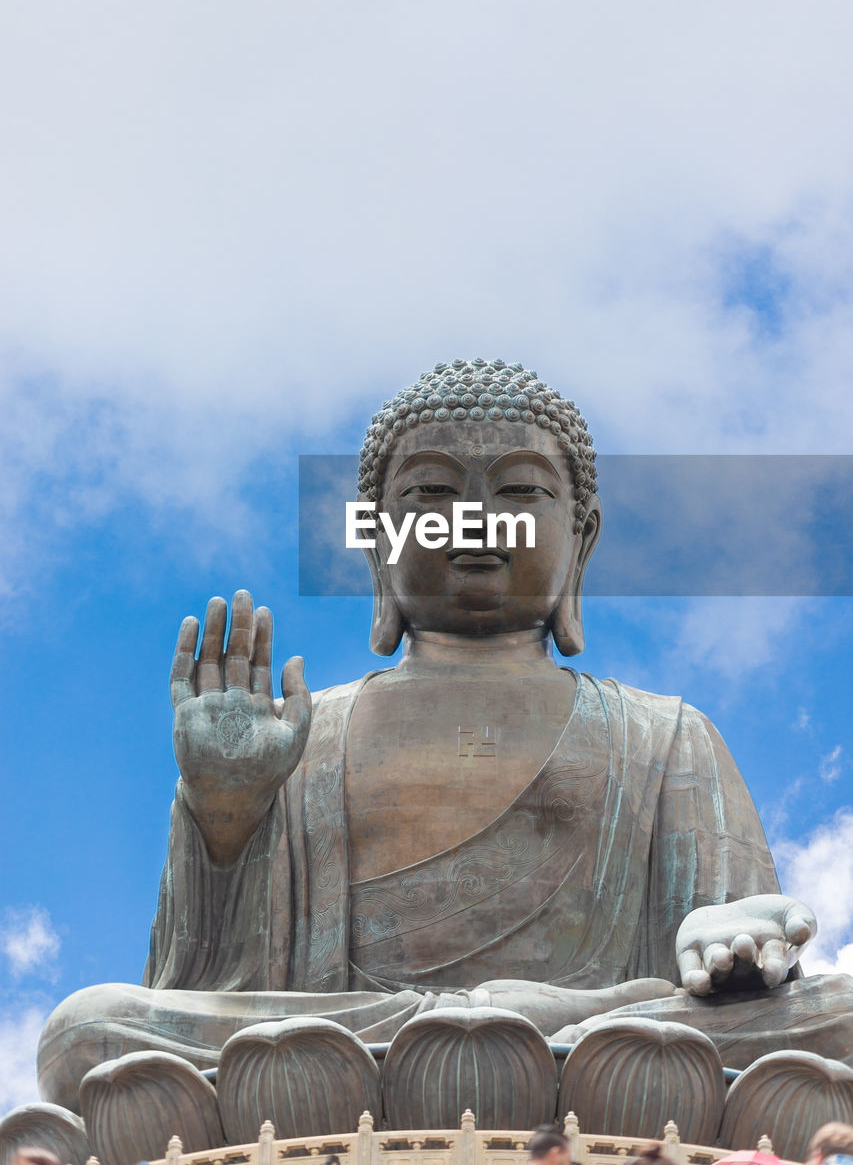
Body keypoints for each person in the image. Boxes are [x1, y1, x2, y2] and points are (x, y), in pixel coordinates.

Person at [36, 359, 853, 1115]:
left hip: (599, 1036)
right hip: (358, 1044)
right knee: (87, 1031)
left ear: (582, 539)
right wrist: (224, 812)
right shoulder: (305, 735)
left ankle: (524, 1036)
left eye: (520, 493)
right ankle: (510, 1042)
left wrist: (732, 940)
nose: (471, 519)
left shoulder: (666, 735)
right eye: (428, 495)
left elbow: (743, 970)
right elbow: (204, 983)